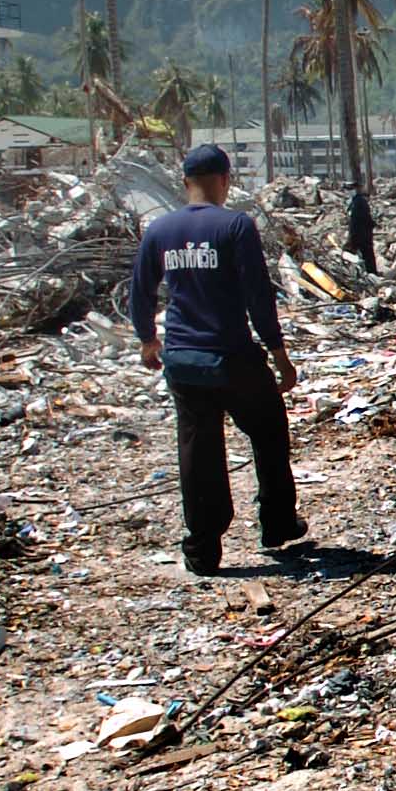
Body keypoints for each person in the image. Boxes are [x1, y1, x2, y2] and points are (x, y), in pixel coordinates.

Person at [129, 144, 307, 577]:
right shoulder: (235, 226)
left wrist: (148, 340)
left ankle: (203, 549)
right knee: (268, 430)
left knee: (197, 450)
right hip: (232, 358)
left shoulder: (160, 230)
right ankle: (277, 522)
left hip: (185, 361)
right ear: (225, 180)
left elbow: (140, 291)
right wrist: (280, 356)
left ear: (185, 182)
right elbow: (258, 297)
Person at [345, 186, 379, 275]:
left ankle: (370, 273)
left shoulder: (358, 202)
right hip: (363, 234)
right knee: (366, 254)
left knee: (366, 255)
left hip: (361, 234)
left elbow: (357, 220)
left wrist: (352, 236)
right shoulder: (356, 201)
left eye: (349, 189)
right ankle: (368, 272)